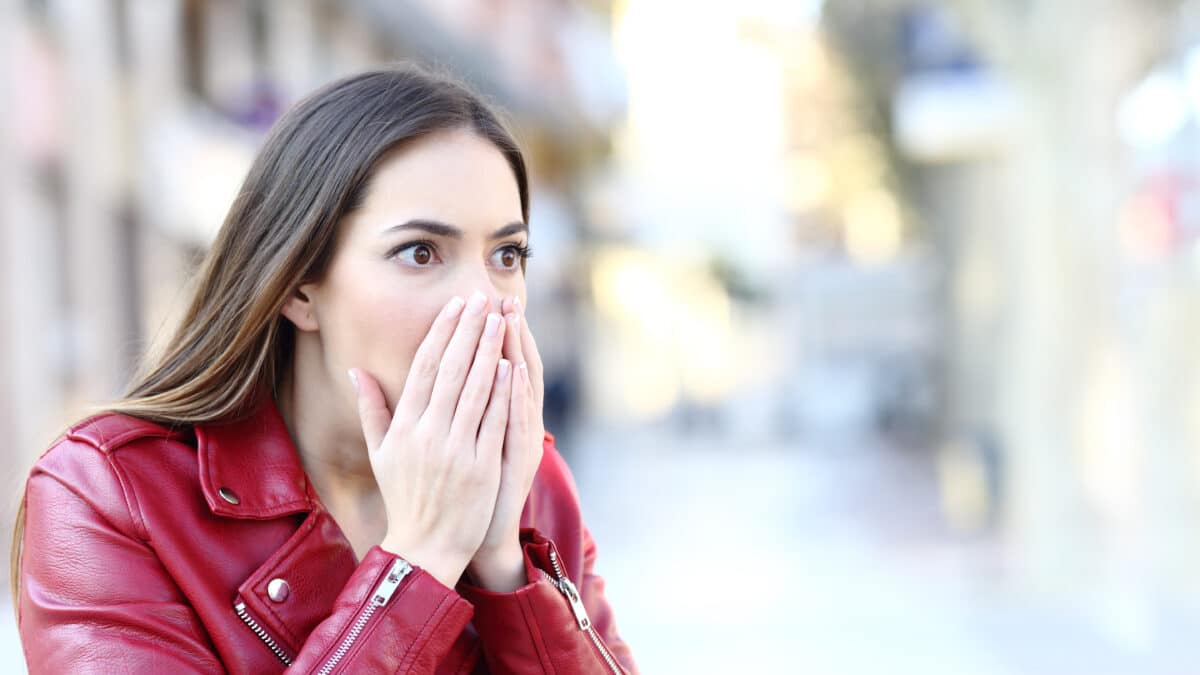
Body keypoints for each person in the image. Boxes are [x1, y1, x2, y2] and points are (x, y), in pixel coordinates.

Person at [13, 63, 637, 674]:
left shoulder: (531, 483)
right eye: (421, 253)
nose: (486, 300)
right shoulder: (109, 495)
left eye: (507, 253)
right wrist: (421, 561)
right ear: (299, 288)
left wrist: (507, 568)